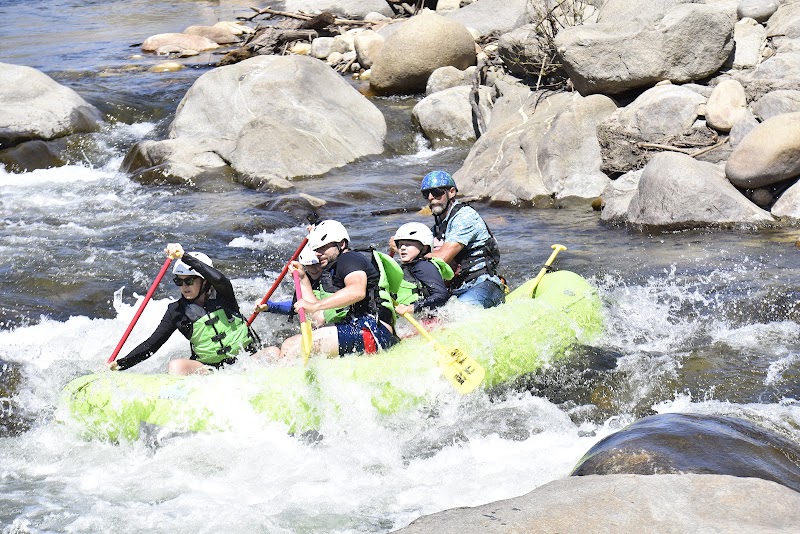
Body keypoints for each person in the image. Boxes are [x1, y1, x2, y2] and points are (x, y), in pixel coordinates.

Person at [109, 243, 256, 375]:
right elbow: (151, 345)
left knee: (273, 352)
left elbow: (219, 279)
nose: (184, 286)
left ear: (205, 281)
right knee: (176, 366)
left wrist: (184, 257)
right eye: (179, 281)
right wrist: (121, 364)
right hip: (210, 369)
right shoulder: (176, 311)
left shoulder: (224, 295)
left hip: (246, 362)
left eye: (189, 280)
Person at [277, 220, 399, 359]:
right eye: (315, 249)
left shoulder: (349, 259)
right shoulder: (335, 270)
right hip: (362, 329)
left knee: (295, 350)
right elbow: (318, 318)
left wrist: (315, 304)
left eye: (323, 248)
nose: (318, 254)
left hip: (372, 331)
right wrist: (302, 279)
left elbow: (357, 291)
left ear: (341, 244)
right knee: (289, 344)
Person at [420, 170, 505, 308]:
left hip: (484, 284)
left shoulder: (465, 217)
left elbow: (441, 258)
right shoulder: (437, 228)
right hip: (459, 289)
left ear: (452, 192)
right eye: (426, 194)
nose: (430, 197)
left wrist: (410, 253)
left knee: (456, 314)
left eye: (436, 192)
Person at [255, 245, 348, 327]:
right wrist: (269, 306)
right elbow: (295, 305)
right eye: (309, 265)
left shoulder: (333, 278)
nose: (313, 269)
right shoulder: (306, 278)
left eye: (316, 264)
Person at [391, 222, 451, 317]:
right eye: (400, 244)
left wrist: (411, 308)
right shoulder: (409, 266)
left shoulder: (423, 266)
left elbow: (441, 295)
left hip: (430, 321)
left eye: (408, 244)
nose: (402, 248)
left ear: (424, 247)